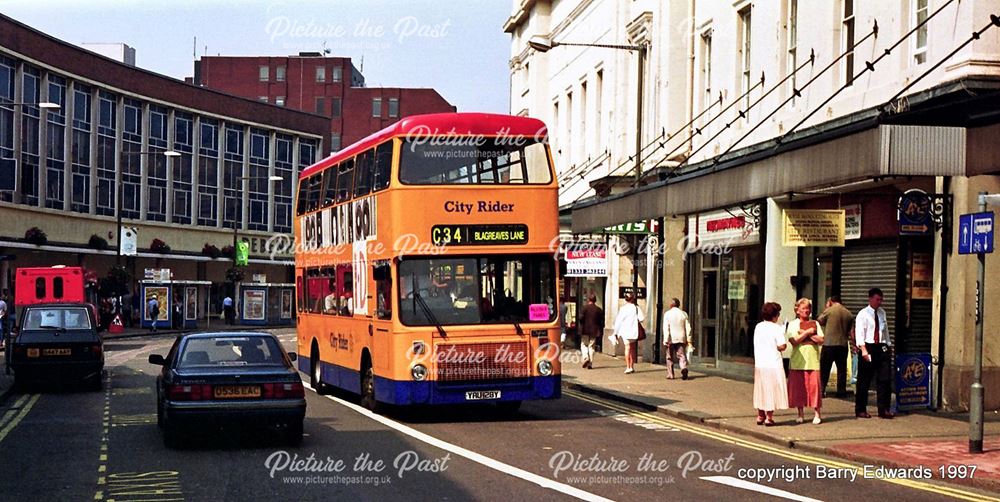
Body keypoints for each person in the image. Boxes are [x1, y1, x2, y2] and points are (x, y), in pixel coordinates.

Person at [855, 287, 894, 419]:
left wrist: (889, 345)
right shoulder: (863, 314)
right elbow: (859, 333)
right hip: (868, 346)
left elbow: (885, 330)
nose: (880, 302)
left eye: (881, 300)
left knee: (885, 379)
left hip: (881, 346)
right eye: (877, 299)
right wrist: (864, 350)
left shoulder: (882, 313)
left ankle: (884, 409)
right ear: (870, 299)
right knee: (864, 380)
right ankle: (860, 409)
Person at [786, 298, 825, 425]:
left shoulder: (816, 323)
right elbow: (794, 341)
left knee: (815, 388)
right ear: (797, 310)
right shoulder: (792, 324)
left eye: (808, 308)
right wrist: (809, 332)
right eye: (803, 308)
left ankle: (817, 414)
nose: (806, 311)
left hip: (813, 361)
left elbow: (821, 340)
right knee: (799, 389)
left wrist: (804, 334)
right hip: (797, 361)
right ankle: (800, 414)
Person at [753, 302, 789, 426]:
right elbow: (782, 346)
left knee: (761, 389)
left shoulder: (758, 326)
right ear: (775, 315)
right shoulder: (777, 328)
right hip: (773, 363)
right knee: (771, 390)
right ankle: (769, 417)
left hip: (760, 363)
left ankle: (760, 415)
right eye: (778, 314)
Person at [817, 295, 853, 397]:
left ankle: (821, 390)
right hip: (843, 344)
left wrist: (827, 308)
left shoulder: (830, 310)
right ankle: (841, 391)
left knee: (825, 368)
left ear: (830, 301)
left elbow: (820, 320)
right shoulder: (848, 313)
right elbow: (850, 330)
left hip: (829, 344)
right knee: (842, 369)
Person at [612, 292, 644, 374]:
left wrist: (615, 332)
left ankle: (628, 366)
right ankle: (632, 366)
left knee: (627, 348)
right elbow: (642, 318)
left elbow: (618, 321)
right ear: (633, 299)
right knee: (632, 348)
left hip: (625, 330)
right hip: (634, 330)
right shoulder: (636, 308)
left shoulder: (623, 308)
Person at [662, 298, 692, 380]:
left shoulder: (667, 314)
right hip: (681, 337)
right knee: (681, 355)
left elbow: (666, 328)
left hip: (671, 338)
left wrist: (665, 339)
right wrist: (689, 339)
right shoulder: (684, 314)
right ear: (678, 305)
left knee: (669, 356)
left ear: (671, 305)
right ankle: (683, 368)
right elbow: (688, 328)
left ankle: (670, 374)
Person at [578, 295, 604, 369]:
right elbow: (601, 321)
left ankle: (586, 357)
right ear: (595, 300)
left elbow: (580, 318)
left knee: (584, 345)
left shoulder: (584, 308)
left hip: (585, 330)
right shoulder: (598, 309)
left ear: (589, 300)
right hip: (594, 330)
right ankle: (590, 363)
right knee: (591, 346)